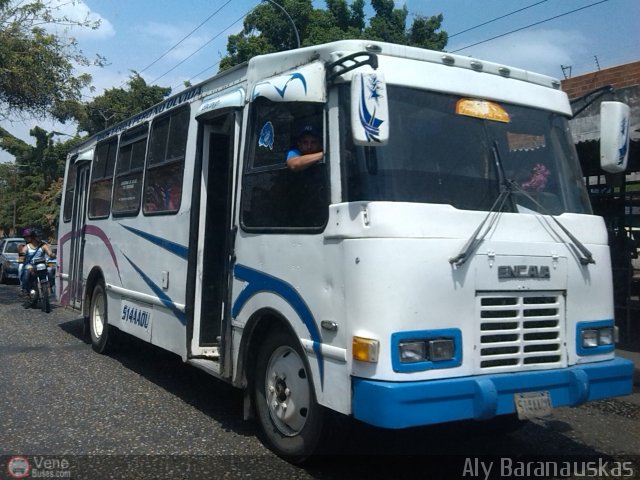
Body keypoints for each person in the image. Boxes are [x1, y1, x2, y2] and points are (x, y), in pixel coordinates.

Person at [19, 228, 55, 295]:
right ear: (33, 237)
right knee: (26, 273)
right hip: (30, 265)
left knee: (50, 270)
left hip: (41, 264)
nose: (40, 238)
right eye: (38, 236)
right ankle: (24, 289)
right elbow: (22, 254)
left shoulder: (43, 245)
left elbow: (49, 252)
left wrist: (52, 254)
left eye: (40, 236)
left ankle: (51, 287)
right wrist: (22, 256)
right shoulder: (27, 247)